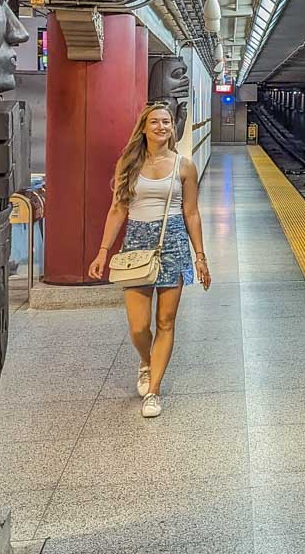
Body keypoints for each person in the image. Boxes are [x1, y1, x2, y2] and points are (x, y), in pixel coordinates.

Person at [88, 102, 212, 417]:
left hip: (173, 245)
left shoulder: (184, 166)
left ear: (172, 128)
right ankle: (146, 360)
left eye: (166, 122)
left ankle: (153, 392)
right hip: (135, 247)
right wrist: (104, 250)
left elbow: (191, 213)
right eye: (155, 122)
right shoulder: (128, 163)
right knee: (138, 327)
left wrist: (200, 256)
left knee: (165, 322)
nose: (161, 126)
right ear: (144, 127)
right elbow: (117, 209)